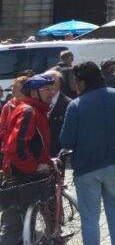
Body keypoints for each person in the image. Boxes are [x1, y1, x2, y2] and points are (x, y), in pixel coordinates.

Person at [60, 62, 115, 245]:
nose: (74, 86)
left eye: (76, 81)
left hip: (87, 168)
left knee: (90, 219)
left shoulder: (76, 106)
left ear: (83, 82)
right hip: (114, 163)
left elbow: (66, 141)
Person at [0, 74, 54, 245]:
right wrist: (34, 167)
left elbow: (39, 145)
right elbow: (16, 148)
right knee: (13, 225)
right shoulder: (28, 111)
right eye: (46, 89)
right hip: (21, 176)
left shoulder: (38, 111)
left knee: (25, 225)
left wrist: (47, 163)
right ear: (33, 93)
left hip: (28, 175)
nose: (51, 92)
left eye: (51, 88)